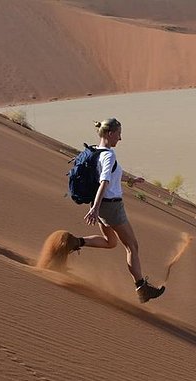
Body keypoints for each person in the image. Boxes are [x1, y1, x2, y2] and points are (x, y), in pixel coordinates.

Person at [68, 118, 165, 303]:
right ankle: (141, 287)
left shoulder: (95, 151)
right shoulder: (109, 155)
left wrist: (129, 181)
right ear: (110, 133)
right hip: (110, 206)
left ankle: (75, 242)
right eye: (118, 134)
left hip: (103, 206)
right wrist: (95, 209)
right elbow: (104, 181)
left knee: (109, 242)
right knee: (132, 246)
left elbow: (108, 177)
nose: (120, 138)